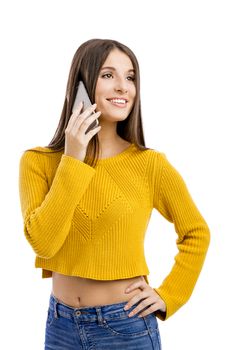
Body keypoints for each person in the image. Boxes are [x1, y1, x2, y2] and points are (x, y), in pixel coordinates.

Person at [18, 38, 210, 349]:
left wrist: (169, 294)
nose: (123, 87)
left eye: (130, 77)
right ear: (80, 84)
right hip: (60, 326)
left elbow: (196, 232)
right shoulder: (38, 161)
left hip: (127, 325)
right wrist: (73, 159)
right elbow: (44, 242)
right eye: (108, 75)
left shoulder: (150, 164)